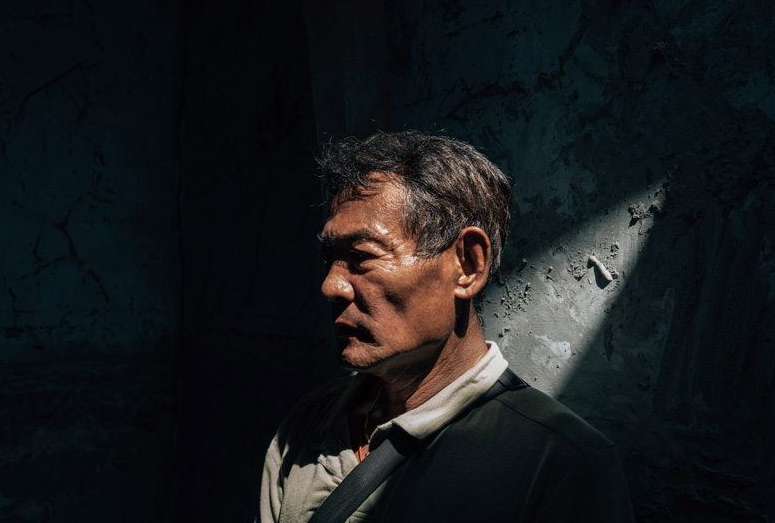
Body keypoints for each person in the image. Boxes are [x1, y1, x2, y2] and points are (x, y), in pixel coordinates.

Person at [259, 131, 635, 523]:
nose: (331, 286)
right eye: (330, 259)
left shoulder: (558, 462)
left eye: (362, 256)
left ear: (467, 265)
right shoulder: (308, 426)